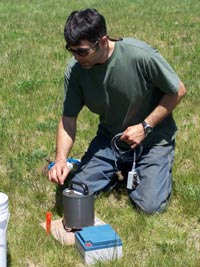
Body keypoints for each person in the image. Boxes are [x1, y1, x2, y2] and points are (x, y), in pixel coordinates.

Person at [48, 8, 186, 214]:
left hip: (152, 141)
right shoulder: (76, 71)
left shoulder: (140, 56)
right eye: (72, 50)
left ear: (102, 41)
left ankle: (143, 170)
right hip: (111, 141)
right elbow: (68, 119)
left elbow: (178, 91)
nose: (76, 57)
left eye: (82, 51)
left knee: (149, 207)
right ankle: (110, 170)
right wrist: (60, 159)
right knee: (76, 191)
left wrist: (145, 126)